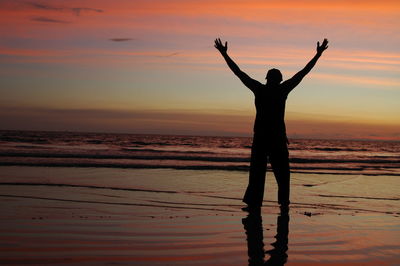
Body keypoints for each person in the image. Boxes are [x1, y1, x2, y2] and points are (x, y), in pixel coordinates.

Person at [214, 37, 328, 211]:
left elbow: (239, 73)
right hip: (274, 139)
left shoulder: (260, 89)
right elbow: (302, 73)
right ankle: (282, 204)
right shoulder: (281, 90)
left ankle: (257, 203)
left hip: (264, 138)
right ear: (279, 79)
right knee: (281, 174)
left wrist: (224, 54)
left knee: (259, 174)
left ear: (267, 79)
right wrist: (317, 55)